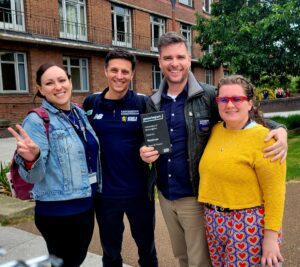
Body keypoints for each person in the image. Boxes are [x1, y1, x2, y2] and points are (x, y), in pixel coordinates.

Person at [139, 32, 288, 267]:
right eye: (167, 58)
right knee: (183, 256)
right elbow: (150, 139)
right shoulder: (152, 101)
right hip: (166, 195)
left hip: (196, 196)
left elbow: (242, 115)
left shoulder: (208, 95)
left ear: (189, 59)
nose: (174, 63)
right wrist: (144, 151)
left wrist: (281, 130)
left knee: (200, 260)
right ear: (159, 61)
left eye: (180, 56)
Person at [7, 62, 100, 267]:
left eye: (61, 80)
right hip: (58, 211)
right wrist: (32, 158)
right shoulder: (37, 120)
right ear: (41, 89)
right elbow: (33, 177)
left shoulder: (78, 113)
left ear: (70, 82)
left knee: (75, 260)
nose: (58, 87)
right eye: (49, 83)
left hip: (85, 204)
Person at [198, 75, 286, 267]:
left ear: (250, 103)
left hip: (248, 224)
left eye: (237, 99)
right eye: (223, 99)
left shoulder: (265, 139)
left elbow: (275, 193)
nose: (230, 105)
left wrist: (271, 238)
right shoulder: (215, 131)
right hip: (214, 221)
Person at [83, 49, 158, 267]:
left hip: (139, 194)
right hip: (105, 195)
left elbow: (157, 140)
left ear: (132, 74)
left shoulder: (144, 103)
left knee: (147, 249)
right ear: (105, 71)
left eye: (125, 71)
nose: (119, 76)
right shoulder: (91, 103)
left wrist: (148, 148)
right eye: (114, 70)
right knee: (111, 252)